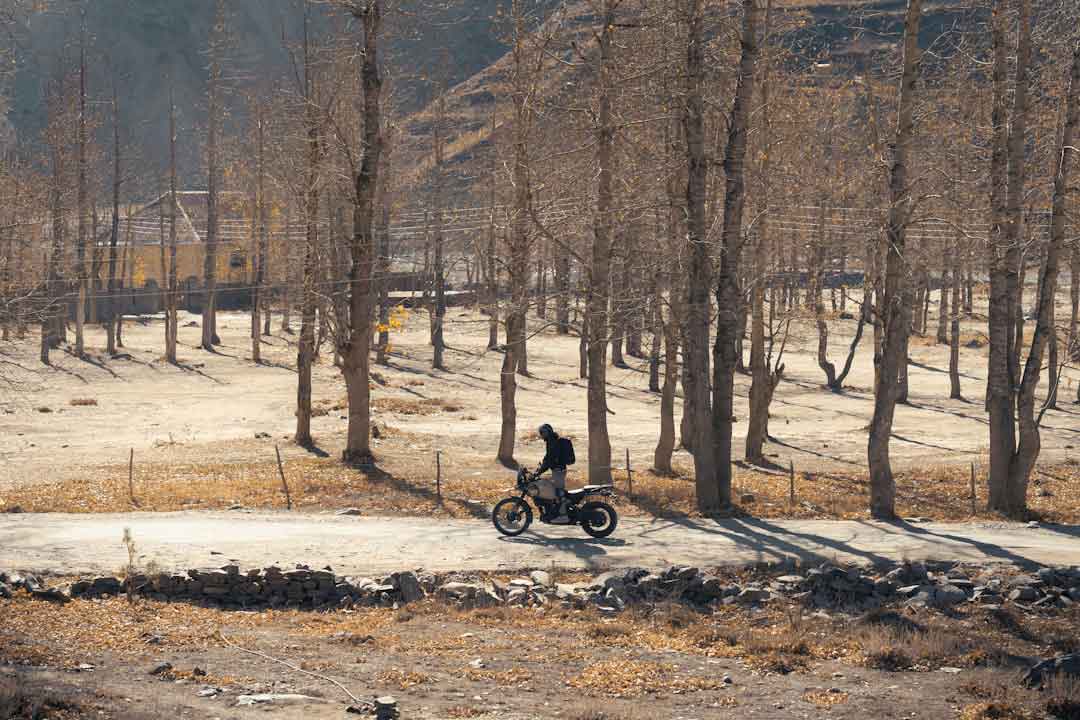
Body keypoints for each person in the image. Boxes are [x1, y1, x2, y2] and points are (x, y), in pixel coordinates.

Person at [536, 423, 569, 522]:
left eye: (542, 433)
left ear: (547, 432)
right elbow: (547, 458)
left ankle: (563, 515)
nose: (541, 435)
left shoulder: (553, 441)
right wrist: (539, 469)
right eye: (541, 433)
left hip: (559, 470)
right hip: (557, 470)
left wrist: (540, 471)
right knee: (550, 489)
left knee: (559, 492)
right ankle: (554, 511)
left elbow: (550, 460)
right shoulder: (551, 441)